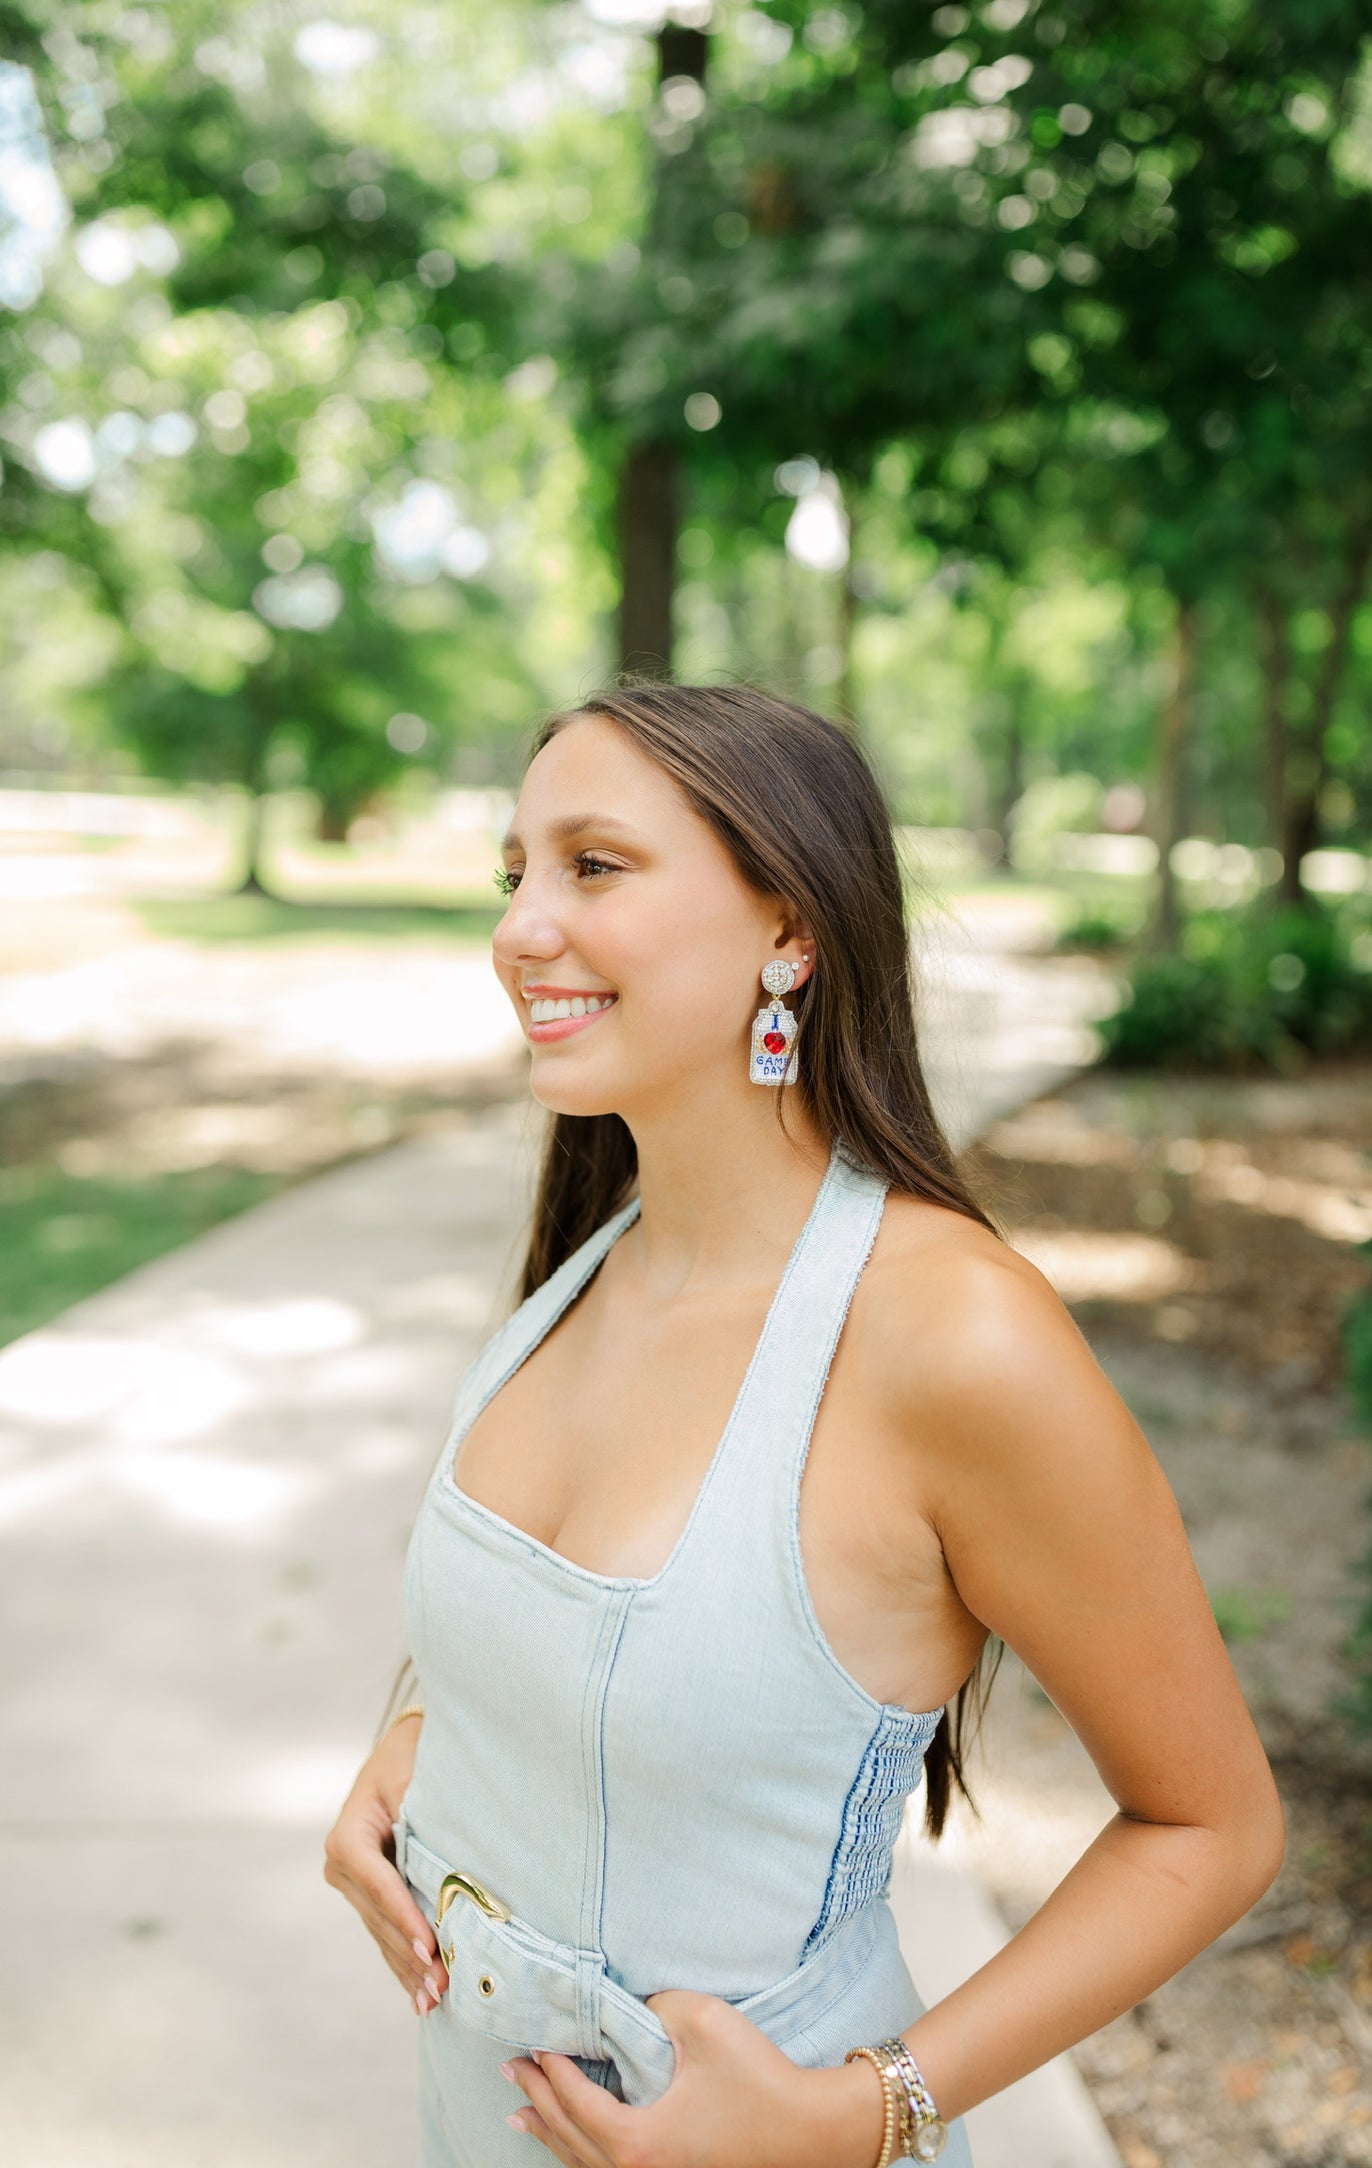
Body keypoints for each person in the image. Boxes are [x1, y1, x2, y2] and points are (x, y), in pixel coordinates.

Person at [323, 684, 1284, 2168]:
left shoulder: (954, 1341)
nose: (520, 929)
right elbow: (576, 1635)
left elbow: (1210, 1829)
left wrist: (860, 2109)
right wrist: (421, 1733)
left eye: (595, 865)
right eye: (513, 871)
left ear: (790, 931)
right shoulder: (593, 1258)